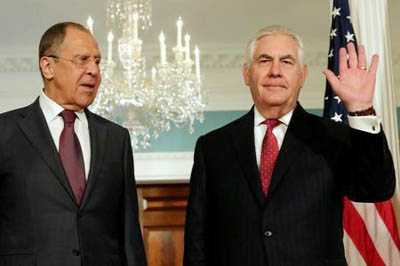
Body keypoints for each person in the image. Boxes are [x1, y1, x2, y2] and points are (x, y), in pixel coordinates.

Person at [183, 25, 395, 266]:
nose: (275, 71)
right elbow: (196, 240)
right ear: (246, 73)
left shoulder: (332, 137)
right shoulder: (213, 147)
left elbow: (377, 188)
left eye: (286, 61)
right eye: (264, 60)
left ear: (302, 75)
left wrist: (360, 108)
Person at [0, 22, 147, 266]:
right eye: (82, 60)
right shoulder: (5, 131)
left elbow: (130, 234)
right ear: (48, 66)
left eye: (97, 62)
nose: (94, 70)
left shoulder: (116, 138)